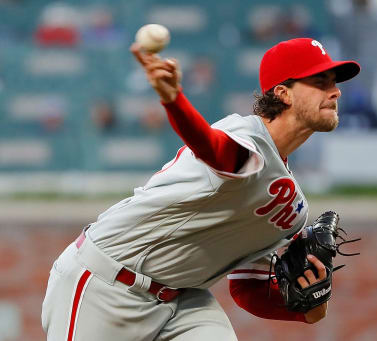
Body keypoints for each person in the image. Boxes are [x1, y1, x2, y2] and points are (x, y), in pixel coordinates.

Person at [41, 37, 360, 341]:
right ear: (283, 93)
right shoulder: (246, 137)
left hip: (184, 299)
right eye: (320, 82)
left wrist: (310, 307)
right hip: (107, 282)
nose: (335, 92)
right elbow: (214, 149)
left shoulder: (294, 211)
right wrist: (173, 99)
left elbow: (247, 289)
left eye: (334, 83)